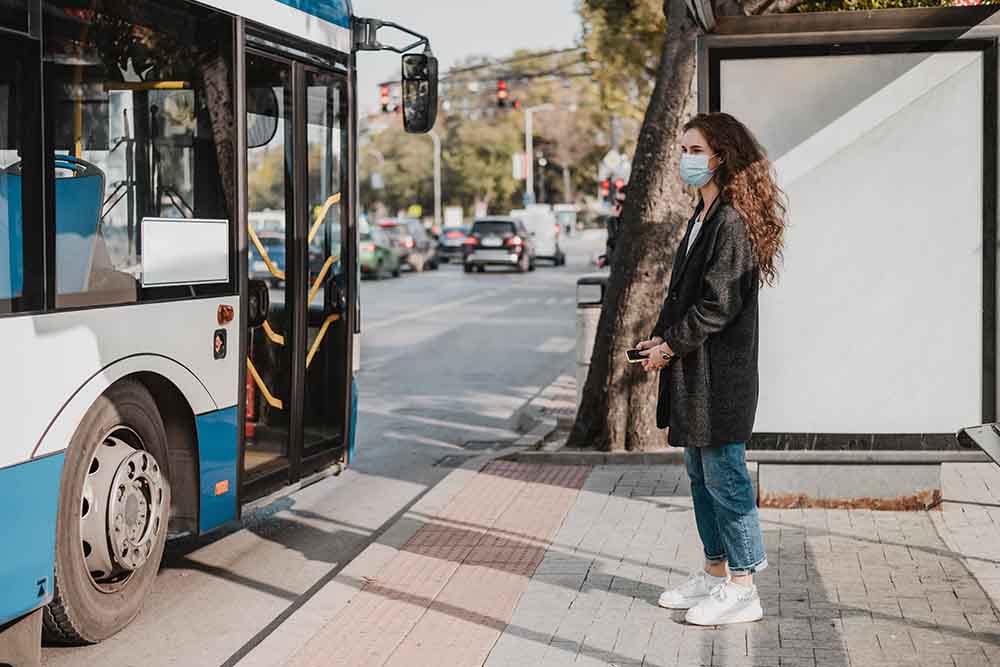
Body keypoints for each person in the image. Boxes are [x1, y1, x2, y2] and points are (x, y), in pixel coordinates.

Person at [635, 112, 786, 626]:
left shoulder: (732, 222)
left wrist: (670, 348)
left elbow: (718, 305)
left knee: (726, 476)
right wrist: (659, 337)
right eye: (683, 150)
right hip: (695, 375)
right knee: (701, 475)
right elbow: (684, 297)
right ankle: (715, 573)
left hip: (721, 378)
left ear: (721, 155)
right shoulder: (702, 216)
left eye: (695, 150)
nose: (685, 159)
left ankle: (744, 586)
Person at [597, 184, 626, 268]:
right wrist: (605, 259)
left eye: (621, 202)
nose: (618, 206)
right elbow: (612, 245)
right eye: (617, 201)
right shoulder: (612, 221)